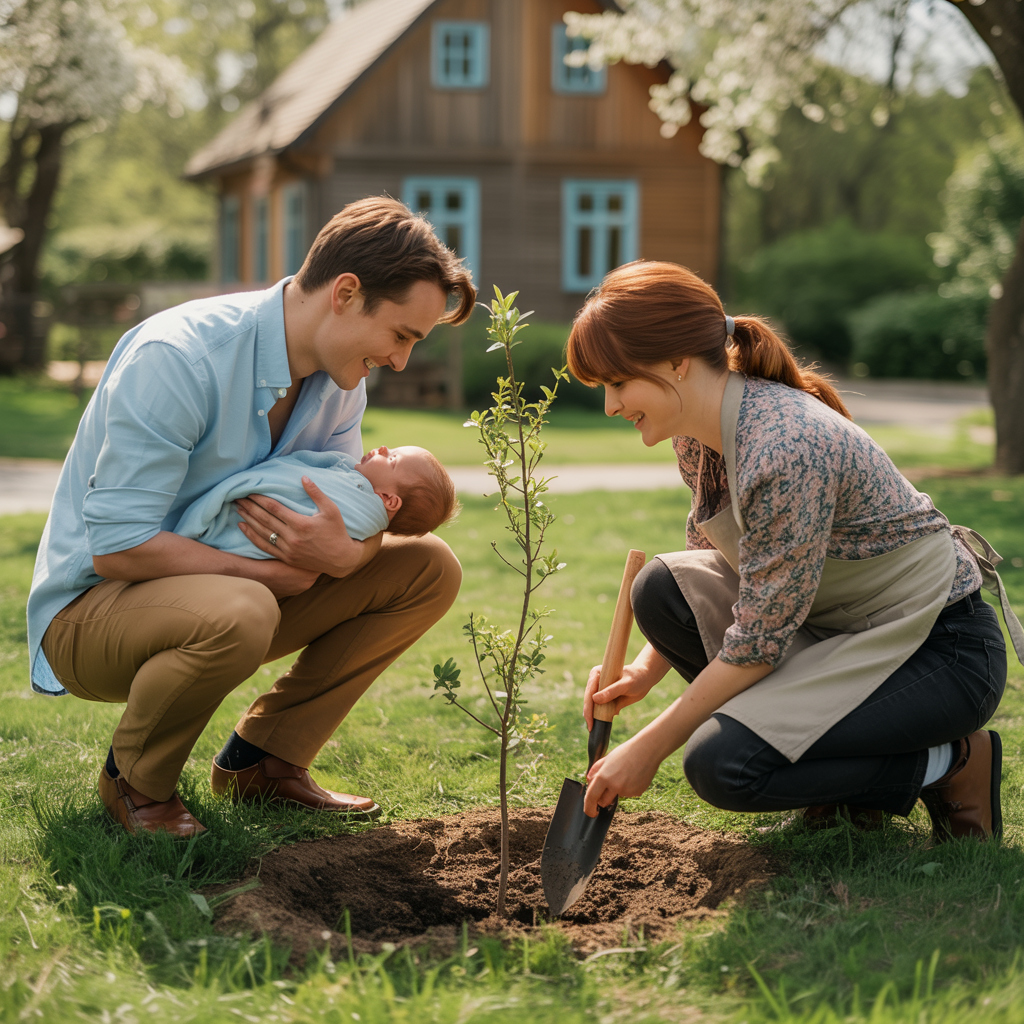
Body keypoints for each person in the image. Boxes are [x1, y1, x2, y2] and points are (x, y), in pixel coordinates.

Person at [27, 197, 475, 838]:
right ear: (346, 293)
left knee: (428, 567)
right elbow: (118, 548)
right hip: (94, 613)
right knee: (246, 607)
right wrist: (262, 575)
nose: (402, 360)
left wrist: (351, 557)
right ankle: (136, 786)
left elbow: (351, 512)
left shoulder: (342, 382)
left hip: (229, 597)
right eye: (401, 335)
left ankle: (263, 763)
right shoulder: (179, 358)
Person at [568, 261, 1023, 840]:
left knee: (722, 766)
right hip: (834, 631)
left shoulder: (785, 447)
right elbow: (712, 560)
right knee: (661, 589)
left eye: (617, 383)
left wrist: (648, 747)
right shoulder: (697, 432)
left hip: (937, 652)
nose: (610, 406)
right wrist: (642, 669)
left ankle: (951, 765)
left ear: (675, 364)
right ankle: (836, 784)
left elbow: (757, 644)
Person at [174, 445, 459, 555]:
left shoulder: (357, 503)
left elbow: (292, 480)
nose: (383, 447)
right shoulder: (350, 478)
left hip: (231, 538)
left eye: (392, 458)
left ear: (388, 499)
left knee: (436, 557)